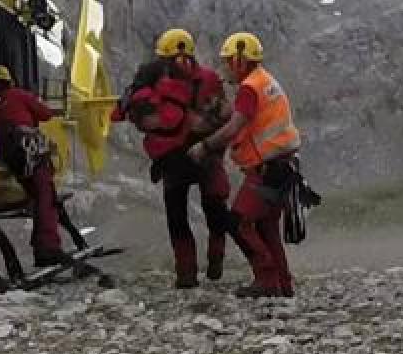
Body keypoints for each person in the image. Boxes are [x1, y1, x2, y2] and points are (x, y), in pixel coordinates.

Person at [114, 29, 230, 288]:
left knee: (179, 217)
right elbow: (225, 115)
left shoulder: (151, 85)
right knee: (214, 211)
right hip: (204, 155)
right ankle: (212, 260)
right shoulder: (209, 80)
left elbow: (129, 114)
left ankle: (187, 274)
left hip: (174, 158)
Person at [188, 31, 301, 297]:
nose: (225, 66)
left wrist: (204, 147)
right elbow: (246, 115)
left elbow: (236, 125)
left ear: (240, 59)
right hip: (283, 166)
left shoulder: (250, 86)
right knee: (266, 225)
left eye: (228, 60)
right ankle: (283, 283)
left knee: (239, 221)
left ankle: (266, 280)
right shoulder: (264, 81)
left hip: (265, 169)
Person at [0, 65, 64, 267]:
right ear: (10, 81)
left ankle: (41, 245)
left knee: (35, 196)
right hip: (27, 148)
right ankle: (48, 248)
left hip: (10, 156)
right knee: (45, 194)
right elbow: (46, 114)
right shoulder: (18, 95)